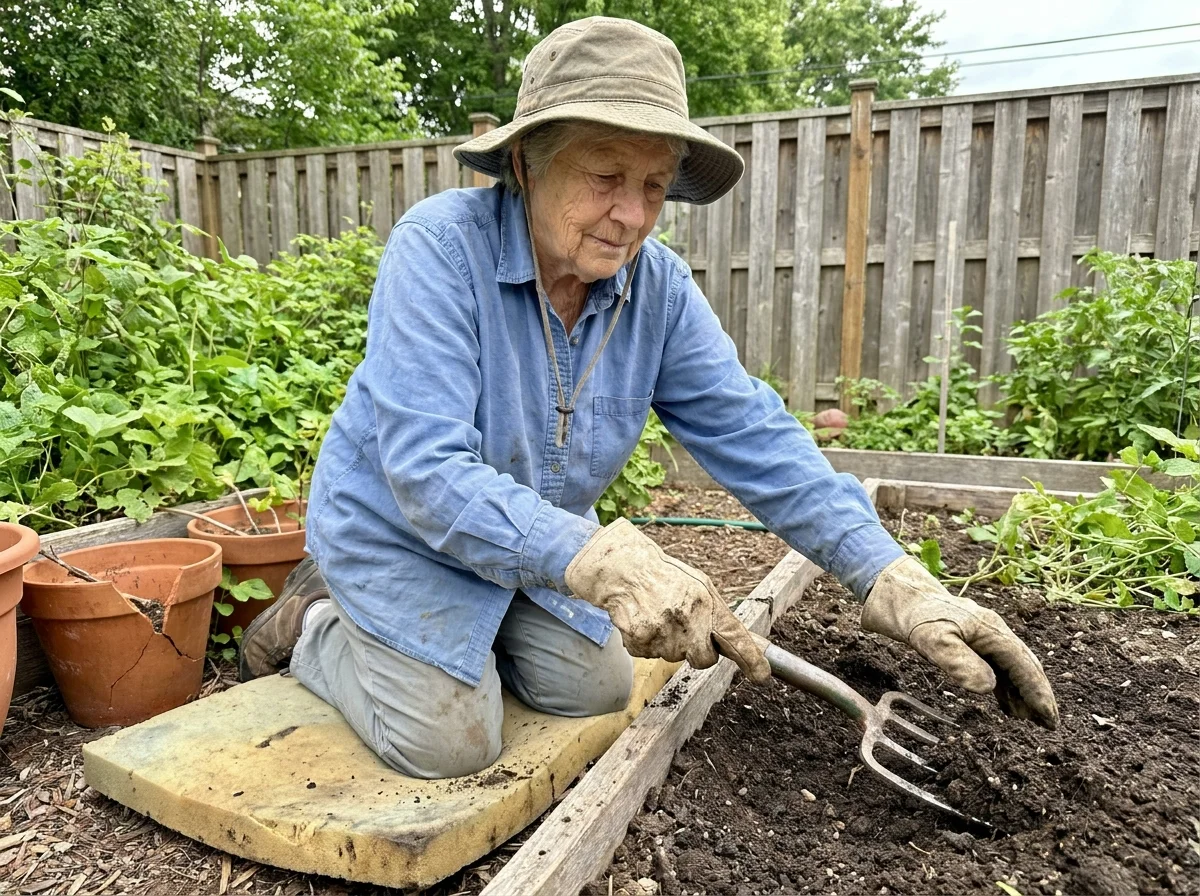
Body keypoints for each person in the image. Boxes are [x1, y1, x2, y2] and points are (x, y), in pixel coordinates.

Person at [239, 16, 1058, 780]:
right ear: (526, 164)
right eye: (605, 177)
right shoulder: (440, 250)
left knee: (594, 687)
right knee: (450, 743)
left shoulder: (654, 289)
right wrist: (600, 560)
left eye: (655, 186)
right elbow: (424, 471)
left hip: (530, 547)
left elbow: (754, 433)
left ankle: (448, 641)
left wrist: (893, 580)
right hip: (398, 534)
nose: (631, 216)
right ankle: (314, 625)